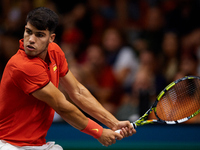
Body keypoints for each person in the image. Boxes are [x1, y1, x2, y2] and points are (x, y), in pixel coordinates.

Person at [0, 7, 136, 150]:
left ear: (51, 38)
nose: (31, 40)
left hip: (37, 144)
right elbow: (62, 106)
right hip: (8, 144)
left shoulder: (54, 51)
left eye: (39, 35)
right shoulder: (22, 66)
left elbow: (77, 91)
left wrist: (113, 122)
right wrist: (99, 132)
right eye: (28, 32)